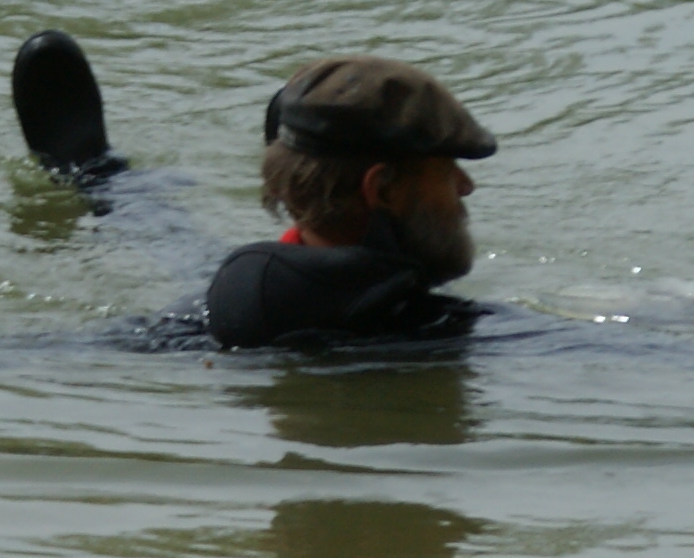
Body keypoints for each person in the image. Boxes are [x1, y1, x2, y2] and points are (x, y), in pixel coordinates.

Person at [197, 53, 493, 349]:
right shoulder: (478, 336)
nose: (466, 185)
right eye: (447, 169)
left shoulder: (213, 315)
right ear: (382, 190)